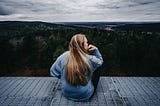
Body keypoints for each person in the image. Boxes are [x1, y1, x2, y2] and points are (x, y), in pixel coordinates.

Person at [50, 34, 103, 101]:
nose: (88, 44)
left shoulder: (63, 56)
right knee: (98, 67)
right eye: (86, 42)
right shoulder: (90, 59)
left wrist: (65, 77)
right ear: (81, 45)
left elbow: (53, 72)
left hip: (66, 93)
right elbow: (100, 61)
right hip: (84, 95)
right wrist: (96, 50)